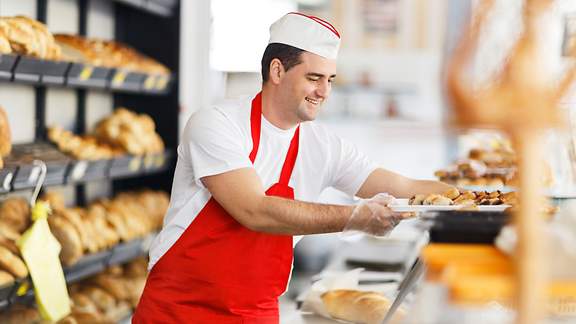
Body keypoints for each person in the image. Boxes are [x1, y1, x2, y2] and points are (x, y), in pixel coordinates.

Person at [133, 12, 452, 323]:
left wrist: (477, 196)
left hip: (256, 313)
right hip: (180, 311)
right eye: (314, 78)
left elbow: (403, 186)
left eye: (330, 80)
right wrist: (355, 219)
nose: (324, 91)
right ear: (277, 70)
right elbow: (255, 210)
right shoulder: (217, 124)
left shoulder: (323, 146)